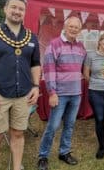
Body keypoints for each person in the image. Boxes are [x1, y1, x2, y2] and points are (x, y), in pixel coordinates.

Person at [0, 0, 41, 170]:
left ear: (25, 13)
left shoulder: (31, 37)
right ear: (5, 9)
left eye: (21, 9)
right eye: (13, 7)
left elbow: (35, 64)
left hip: (24, 95)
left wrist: (36, 87)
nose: (17, 11)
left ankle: (17, 166)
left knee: (18, 133)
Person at [37, 16, 86, 170]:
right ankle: (43, 156)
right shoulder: (54, 44)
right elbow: (48, 69)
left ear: (80, 30)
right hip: (59, 94)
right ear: (65, 27)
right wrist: (52, 93)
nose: (73, 29)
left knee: (70, 125)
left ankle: (64, 152)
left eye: (76, 27)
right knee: (53, 126)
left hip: (76, 93)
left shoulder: (80, 46)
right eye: (71, 26)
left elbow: (81, 66)